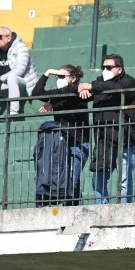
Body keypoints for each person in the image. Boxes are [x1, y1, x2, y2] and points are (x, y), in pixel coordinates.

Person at [78, 54, 135, 204]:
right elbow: (83, 94)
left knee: (124, 181)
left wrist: (91, 86)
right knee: (97, 180)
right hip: (103, 141)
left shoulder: (128, 81)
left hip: (124, 139)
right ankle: (102, 208)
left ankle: (124, 211)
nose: (105, 70)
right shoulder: (99, 83)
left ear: (119, 69)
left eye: (109, 67)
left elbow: (117, 88)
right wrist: (81, 89)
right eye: (103, 67)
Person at [32, 64, 90, 205]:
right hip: (61, 144)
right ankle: (75, 210)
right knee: (66, 182)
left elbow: (69, 92)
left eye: (62, 76)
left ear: (73, 78)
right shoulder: (58, 95)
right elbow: (37, 93)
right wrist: (47, 72)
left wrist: (52, 101)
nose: (59, 79)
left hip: (78, 143)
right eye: (58, 76)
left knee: (72, 180)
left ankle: (75, 211)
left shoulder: (77, 91)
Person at [0, 27, 38, 119]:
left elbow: (19, 70)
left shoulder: (21, 48)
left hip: (24, 87)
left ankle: (13, 115)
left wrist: (0, 80)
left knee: (12, 77)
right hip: (7, 86)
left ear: (9, 38)